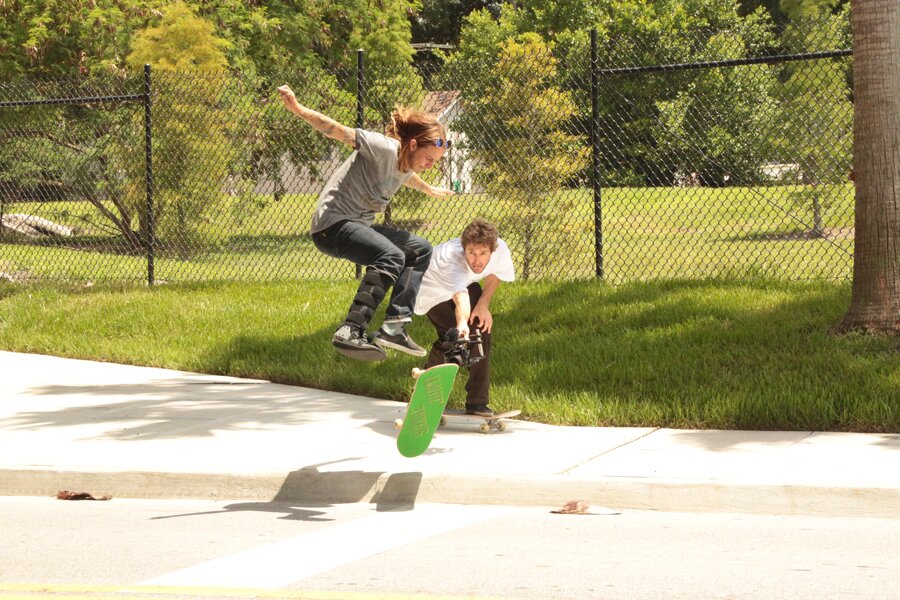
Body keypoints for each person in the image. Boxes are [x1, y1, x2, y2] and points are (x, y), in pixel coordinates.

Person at [277, 85, 455, 362]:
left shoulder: (407, 165)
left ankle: (395, 326)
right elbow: (336, 129)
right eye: (429, 159)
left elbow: (408, 178)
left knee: (420, 249)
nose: (431, 165)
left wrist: (429, 189)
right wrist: (299, 109)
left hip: (358, 225)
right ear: (412, 145)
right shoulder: (382, 147)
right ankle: (351, 329)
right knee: (392, 255)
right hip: (332, 225)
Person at [414, 219, 515, 416]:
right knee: (452, 336)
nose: (477, 260)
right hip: (431, 290)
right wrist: (461, 324)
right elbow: (461, 298)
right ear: (464, 249)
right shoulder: (452, 259)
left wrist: (483, 305)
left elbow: (495, 274)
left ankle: (477, 402)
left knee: (481, 329)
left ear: (492, 250)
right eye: (471, 253)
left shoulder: (500, 248)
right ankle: (425, 395)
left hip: (463, 286)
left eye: (483, 254)